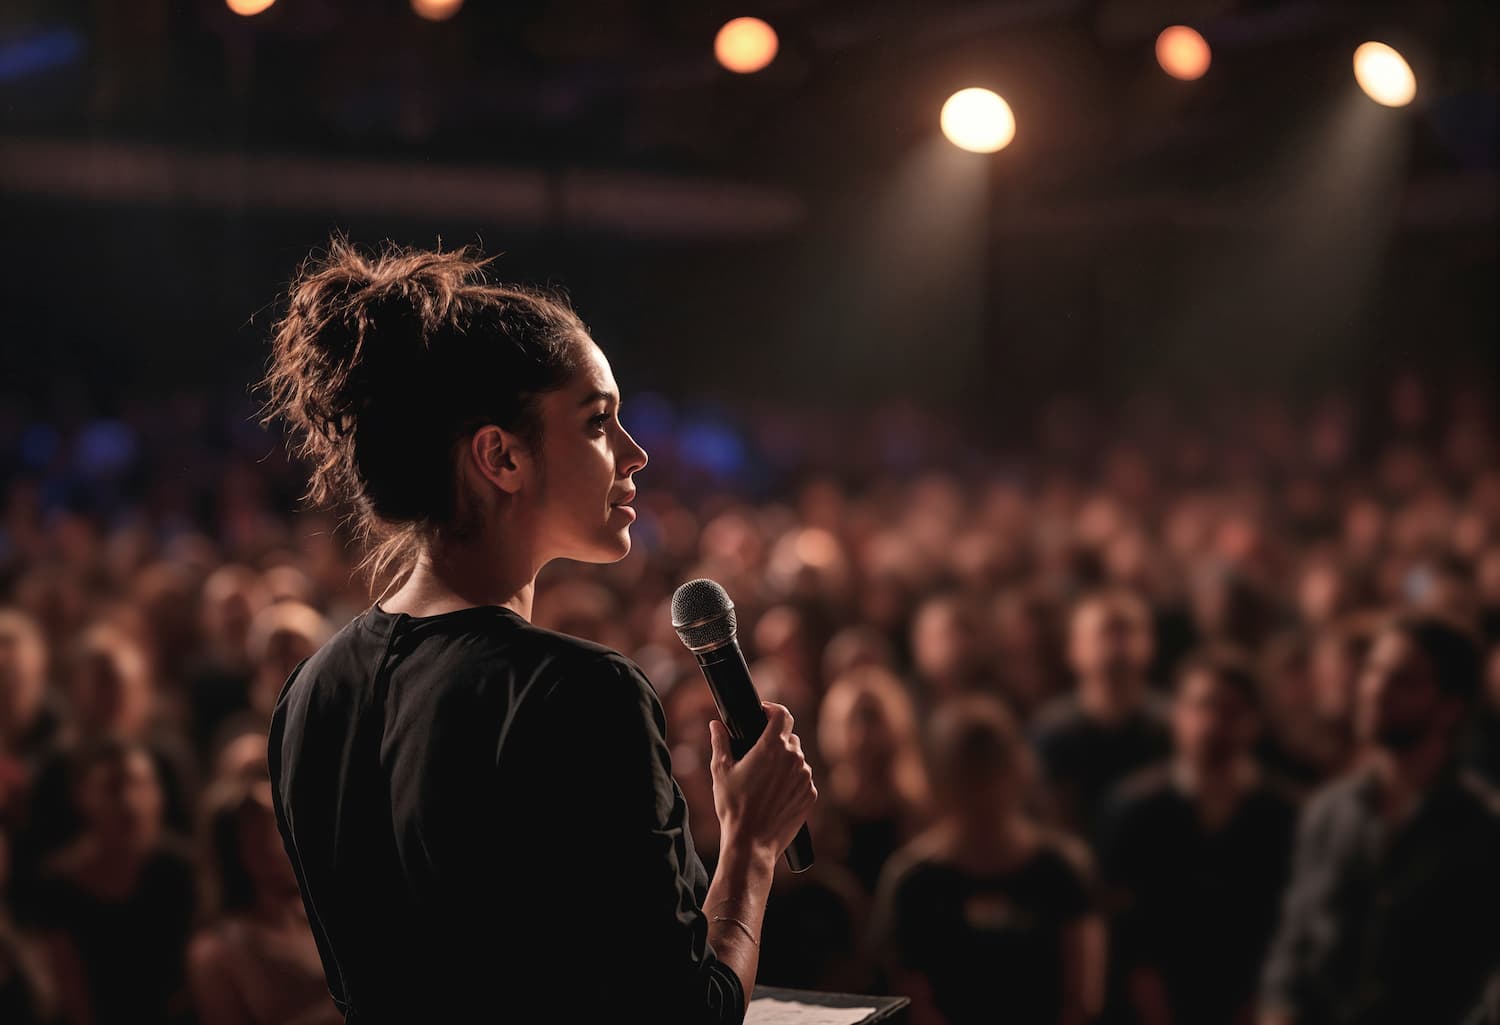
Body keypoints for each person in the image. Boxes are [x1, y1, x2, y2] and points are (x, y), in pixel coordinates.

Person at [259, 239, 817, 1024]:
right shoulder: (578, 691)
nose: (635, 453)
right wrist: (751, 844)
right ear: (500, 456)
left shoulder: (309, 692)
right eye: (598, 421)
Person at [1258, 614, 1500, 1025]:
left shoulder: (1483, 828)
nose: (1373, 689)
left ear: (1450, 707)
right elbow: (1293, 948)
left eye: (1402, 680)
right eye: (1372, 670)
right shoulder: (1328, 812)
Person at [869, 694, 1105, 1025]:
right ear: (941, 779)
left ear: (1018, 770)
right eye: (967, 774)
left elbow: (1082, 1002)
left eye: (989, 769)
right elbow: (913, 1004)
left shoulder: (1061, 870)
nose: (982, 789)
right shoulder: (913, 881)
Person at [1096, 648, 1297, 1025]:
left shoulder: (1284, 813)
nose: (1212, 722)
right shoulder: (1134, 808)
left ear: (1254, 721)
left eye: (1230, 710)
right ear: (1176, 714)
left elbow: (1286, 926)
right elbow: (1124, 927)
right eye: (1201, 706)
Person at [187, 778, 342, 1025]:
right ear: (241, 852)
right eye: (274, 832)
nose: (293, 842)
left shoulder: (327, 919)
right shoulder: (216, 952)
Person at [1031, 588, 1171, 836]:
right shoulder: (1051, 733)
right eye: (1104, 634)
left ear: (1150, 645)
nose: (1116, 647)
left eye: (1126, 633)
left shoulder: (1173, 726)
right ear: (1074, 649)